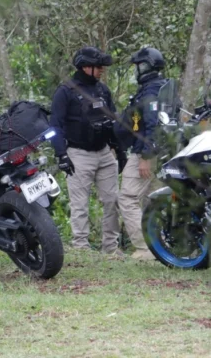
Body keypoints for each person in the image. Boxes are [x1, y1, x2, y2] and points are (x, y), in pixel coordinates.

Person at [50, 46, 124, 254]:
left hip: (104, 153)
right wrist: (61, 154)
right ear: (85, 67)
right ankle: (81, 246)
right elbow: (54, 126)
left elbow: (113, 120)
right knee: (79, 203)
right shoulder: (65, 91)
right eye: (98, 66)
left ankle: (110, 246)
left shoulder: (103, 90)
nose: (102, 70)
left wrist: (119, 149)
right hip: (78, 154)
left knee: (112, 200)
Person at [115, 47, 168, 261]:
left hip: (146, 152)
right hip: (160, 151)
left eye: (138, 66)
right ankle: (162, 246)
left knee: (127, 198)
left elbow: (153, 124)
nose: (137, 70)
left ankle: (146, 248)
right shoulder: (163, 87)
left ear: (144, 66)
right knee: (150, 200)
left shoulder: (151, 91)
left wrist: (145, 156)